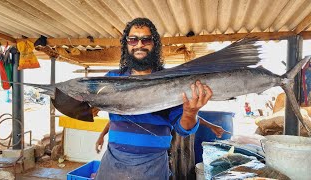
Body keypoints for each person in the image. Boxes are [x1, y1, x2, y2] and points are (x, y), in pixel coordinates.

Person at [94, 17, 212, 180]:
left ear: (154, 44)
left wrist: (191, 113)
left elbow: (183, 128)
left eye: (146, 39)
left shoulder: (172, 79)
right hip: (114, 164)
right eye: (133, 39)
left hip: (153, 167)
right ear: (126, 44)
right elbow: (88, 107)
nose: (139, 45)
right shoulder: (112, 78)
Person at [96, 117, 229, 180]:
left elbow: (190, 116)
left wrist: (212, 126)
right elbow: (113, 117)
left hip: (158, 157)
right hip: (115, 162)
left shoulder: (168, 103)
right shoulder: (127, 101)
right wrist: (101, 136)